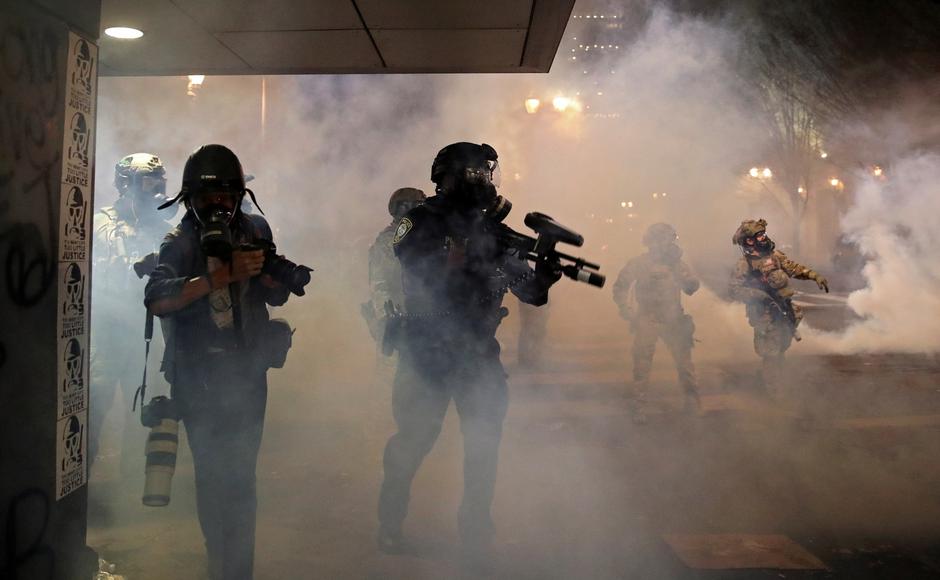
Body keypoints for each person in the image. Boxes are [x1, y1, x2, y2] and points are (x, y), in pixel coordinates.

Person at [377, 142, 560, 564]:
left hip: (478, 354)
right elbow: (416, 265)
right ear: (448, 176)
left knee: (484, 445)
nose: (482, 181)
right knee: (414, 441)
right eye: (474, 173)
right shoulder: (420, 220)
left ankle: (476, 531)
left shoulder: (493, 229)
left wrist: (546, 275)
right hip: (427, 353)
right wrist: (466, 256)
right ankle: (390, 524)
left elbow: (529, 292)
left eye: (485, 173)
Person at [145, 144, 304, 580]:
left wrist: (273, 280)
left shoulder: (255, 228)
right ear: (189, 200)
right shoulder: (178, 241)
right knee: (214, 476)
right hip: (199, 376)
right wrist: (219, 277)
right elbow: (158, 299)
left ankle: (238, 571)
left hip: (247, 371)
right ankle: (222, 563)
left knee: (242, 477)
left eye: (226, 199)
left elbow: (271, 296)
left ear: (239, 197)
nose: (217, 208)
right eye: (206, 200)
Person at [90, 153, 175, 471]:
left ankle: (130, 491)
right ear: (125, 185)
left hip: (145, 333)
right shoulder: (100, 224)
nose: (155, 191)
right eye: (148, 183)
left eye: (159, 183)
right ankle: (80, 490)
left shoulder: (166, 229)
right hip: (107, 331)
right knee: (93, 406)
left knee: (144, 408)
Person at [612, 223, 700, 423]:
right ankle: (639, 406)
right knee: (642, 365)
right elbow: (620, 287)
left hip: (673, 319)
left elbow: (691, 288)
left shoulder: (677, 264)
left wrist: (687, 278)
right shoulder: (639, 263)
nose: (662, 244)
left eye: (666, 239)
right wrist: (625, 310)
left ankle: (692, 402)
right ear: (649, 242)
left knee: (684, 364)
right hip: (647, 317)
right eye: (658, 239)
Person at [728, 218, 828, 389]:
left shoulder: (775, 256)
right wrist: (758, 295)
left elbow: (793, 268)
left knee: (781, 346)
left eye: (760, 236)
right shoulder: (745, 264)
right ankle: (773, 388)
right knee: (771, 352)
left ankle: (772, 379)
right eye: (752, 239)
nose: (758, 241)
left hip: (784, 307)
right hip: (764, 313)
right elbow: (734, 289)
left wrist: (813, 275)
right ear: (746, 243)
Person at [362, 187, 426, 347]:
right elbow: (379, 283)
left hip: (418, 318)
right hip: (398, 321)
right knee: (394, 369)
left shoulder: (420, 237)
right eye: (418, 206)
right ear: (404, 208)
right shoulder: (387, 241)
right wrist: (389, 320)